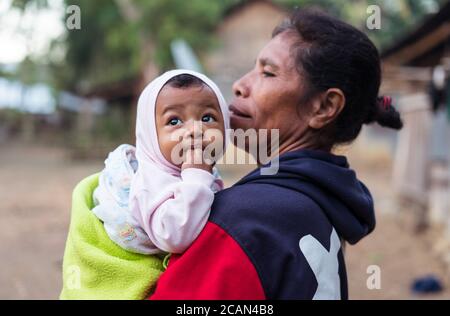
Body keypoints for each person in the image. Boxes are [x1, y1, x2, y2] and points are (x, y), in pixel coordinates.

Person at [149, 9, 403, 300]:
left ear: (323, 107)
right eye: (253, 69)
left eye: (267, 73)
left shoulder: (244, 220)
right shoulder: (322, 202)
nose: (240, 86)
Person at [60, 70, 229, 299]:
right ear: (150, 135)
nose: (194, 131)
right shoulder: (149, 181)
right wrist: (196, 181)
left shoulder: (198, 172)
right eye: (174, 121)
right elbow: (174, 236)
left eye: (207, 118)